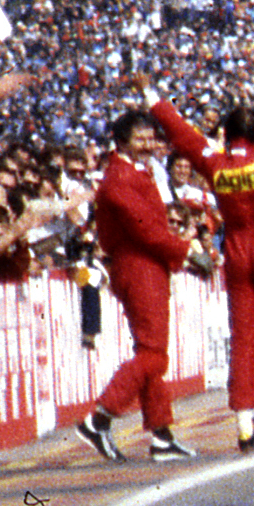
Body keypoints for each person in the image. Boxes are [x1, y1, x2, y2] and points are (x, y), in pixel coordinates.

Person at [151, 92, 254, 453]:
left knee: (245, 338)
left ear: (226, 132)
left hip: (235, 250)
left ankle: (245, 424)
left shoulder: (215, 162)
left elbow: (181, 133)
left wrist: (153, 98)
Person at [72, 108, 201, 463]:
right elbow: (147, 230)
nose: (147, 145)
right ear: (122, 141)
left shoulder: (137, 173)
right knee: (152, 355)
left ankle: (161, 435)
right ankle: (99, 418)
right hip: (138, 267)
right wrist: (187, 252)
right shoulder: (118, 179)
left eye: (150, 138)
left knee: (151, 351)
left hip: (147, 265)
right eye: (139, 139)